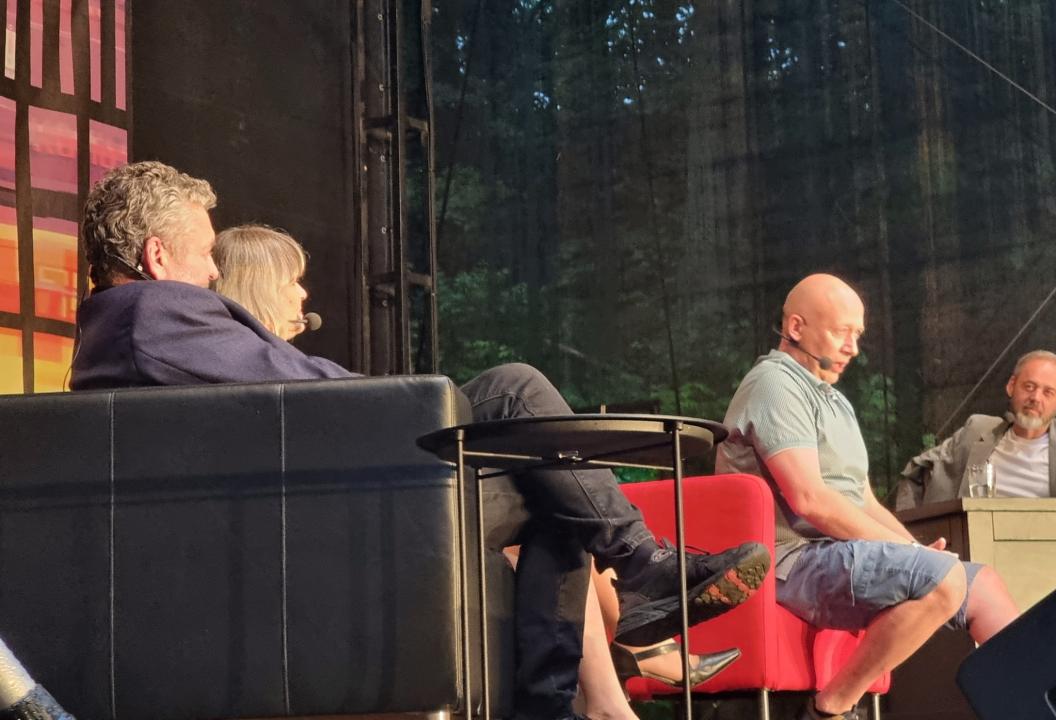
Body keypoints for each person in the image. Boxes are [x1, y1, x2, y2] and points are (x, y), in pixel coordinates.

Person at [70, 161, 769, 720]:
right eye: (203, 255)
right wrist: (402, 398)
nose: (214, 272)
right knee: (519, 395)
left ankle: (613, 610)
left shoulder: (124, 329)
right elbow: (303, 390)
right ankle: (635, 576)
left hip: (302, 507)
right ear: (157, 256)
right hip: (328, 518)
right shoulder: (156, 315)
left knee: (551, 467)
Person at [210, 224, 740, 719]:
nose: (303, 295)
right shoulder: (254, 363)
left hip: (384, 501)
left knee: (556, 478)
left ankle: (567, 691)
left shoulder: (272, 367)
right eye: (292, 281)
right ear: (259, 286)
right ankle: (638, 568)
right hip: (366, 517)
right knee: (517, 386)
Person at [716, 274, 1019, 719]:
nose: (853, 348)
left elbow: (865, 501)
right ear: (796, 327)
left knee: (983, 585)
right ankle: (831, 707)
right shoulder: (775, 384)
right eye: (842, 332)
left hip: (836, 553)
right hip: (788, 560)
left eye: (857, 334)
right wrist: (910, 555)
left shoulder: (834, 400)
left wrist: (914, 548)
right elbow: (809, 499)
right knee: (943, 581)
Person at [896, 350, 1056, 510]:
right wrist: (911, 539)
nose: (1036, 397)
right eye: (1029, 387)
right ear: (1011, 386)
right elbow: (915, 472)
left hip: (1055, 552)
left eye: (1048, 392)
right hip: (978, 549)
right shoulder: (976, 430)